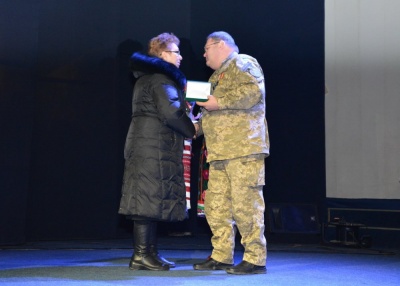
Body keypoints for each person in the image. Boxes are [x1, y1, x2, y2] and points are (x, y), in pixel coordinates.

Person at [192, 31, 270, 275]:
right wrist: (190, 127)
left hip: (243, 149)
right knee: (216, 207)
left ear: (220, 44)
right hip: (219, 153)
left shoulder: (242, 62)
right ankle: (221, 255)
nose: (204, 54)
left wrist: (218, 102)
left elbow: (253, 93)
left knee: (246, 204)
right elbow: (211, 114)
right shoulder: (215, 77)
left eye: (206, 48)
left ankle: (255, 258)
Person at [118, 32, 196, 271]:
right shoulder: (160, 79)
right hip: (151, 145)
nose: (180, 56)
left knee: (149, 199)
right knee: (146, 200)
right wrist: (192, 127)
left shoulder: (151, 77)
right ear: (162, 54)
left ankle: (149, 252)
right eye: (176, 51)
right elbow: (171, 113)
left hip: (148, 143)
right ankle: (141, 255)